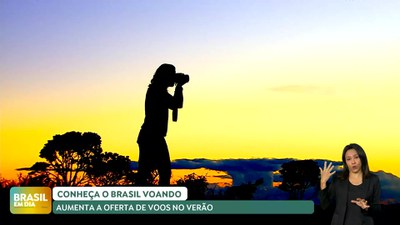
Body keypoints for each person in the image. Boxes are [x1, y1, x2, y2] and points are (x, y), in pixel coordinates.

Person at [136, 63, 189, 186]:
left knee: (146, 173)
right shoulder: (157, 91)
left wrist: (179, 86)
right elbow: (177, 104)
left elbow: (176, 104)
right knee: (162, 173)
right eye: (172, 75)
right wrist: (179, 86)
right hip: (152, 137)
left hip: (150, 136)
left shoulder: (157, 90)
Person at [319, 143, 381, 225]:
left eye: (356, 157)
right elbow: (325, 206)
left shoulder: (373, 180)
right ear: (345, 162)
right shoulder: (338, 179)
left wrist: (366, 208)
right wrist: (323, 183)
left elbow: (377, 209)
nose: (353, 162)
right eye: (348, 159)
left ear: (362, 158)